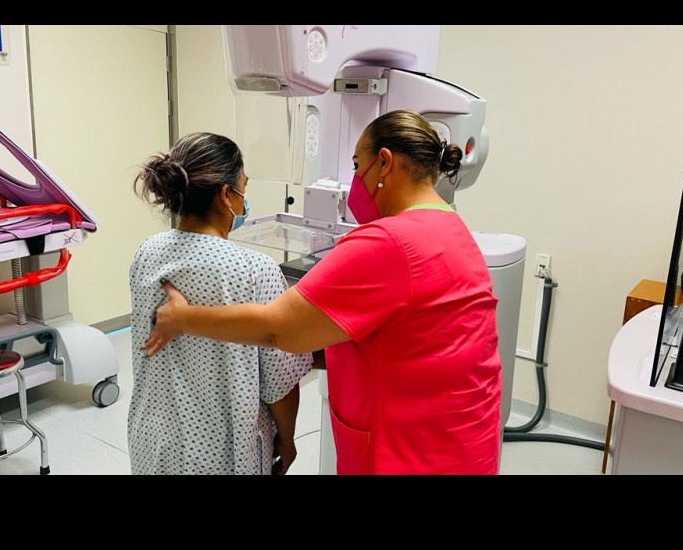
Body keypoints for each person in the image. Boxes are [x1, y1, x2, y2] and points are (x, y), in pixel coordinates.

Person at [143, 110, 502, 475]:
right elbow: (409, 342)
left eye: (357, 166)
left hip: (409, 454)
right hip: (462, 443)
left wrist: (184, 318)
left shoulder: (389, 243)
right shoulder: (452, 228)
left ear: (384, 163)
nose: (355, 179)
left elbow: (279, 331)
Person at [128, 132, 313, 475]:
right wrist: (287, 441)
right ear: (226, 195)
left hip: (152, 440)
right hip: (221, 454)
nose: (245, 199)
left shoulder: (147, 252)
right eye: (243, 187)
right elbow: (279, 384)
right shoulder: (255, 271)